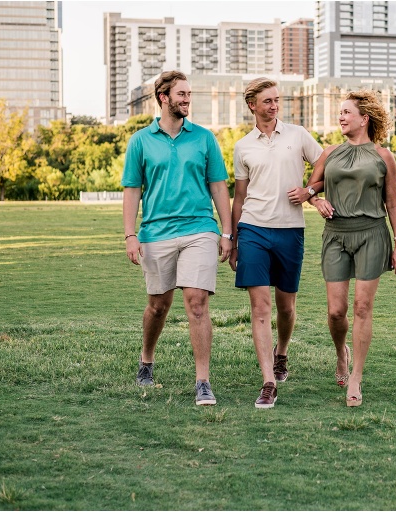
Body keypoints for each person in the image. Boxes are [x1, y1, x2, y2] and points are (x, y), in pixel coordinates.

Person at [122, 70, 233, 407]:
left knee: (197, 302)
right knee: (158, 306)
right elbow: (132, 191)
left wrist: (226, 231)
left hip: (199, 228)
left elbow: (218, 187)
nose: (187, 100)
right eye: (181, 94)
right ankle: (146, 359)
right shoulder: (140, 141)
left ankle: (203, 381)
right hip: (155, 232)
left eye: (189, 94)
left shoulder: (204, 138)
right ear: (163, 98)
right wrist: (130, 234)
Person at [305, 90, 396, 407]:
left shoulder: (383, 156)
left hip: (372, 235)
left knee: (363, 307)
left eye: (347, 112)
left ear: (364, 118)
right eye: (340, 112)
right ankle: (341, 353)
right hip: (335, 235)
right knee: (336, 312)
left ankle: (356, 379)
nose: (341, 116)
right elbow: (311, 187)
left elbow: (392, 201)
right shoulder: (330, 152)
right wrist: (316, 199)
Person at [230, 77, 324, 409]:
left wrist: (310, 192)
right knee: (260, 309)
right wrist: (233, 238)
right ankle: (268, 381)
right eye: (267, 101)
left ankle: (281, 351)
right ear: (252, 105)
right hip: (253, 230)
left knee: (285, 307)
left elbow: (327, 165)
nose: (274, 105)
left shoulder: (298, 135)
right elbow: (239, 196)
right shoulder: (243, 147)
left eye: (277, 100)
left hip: (290, 231)